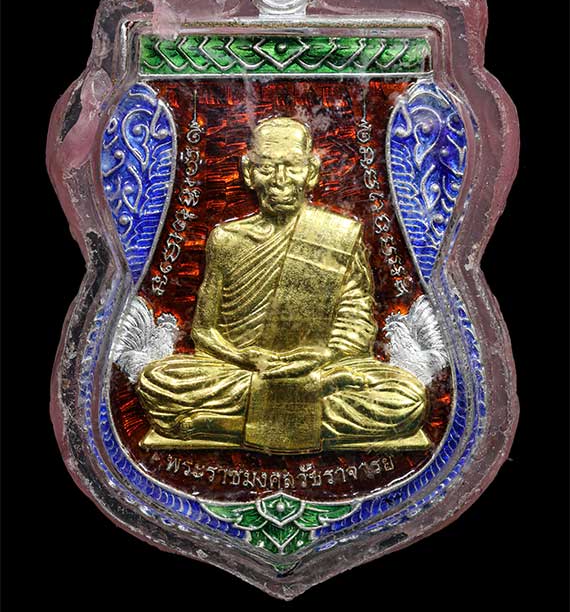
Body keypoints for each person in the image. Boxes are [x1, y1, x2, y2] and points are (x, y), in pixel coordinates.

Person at [137, 117, 428, 453]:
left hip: (323, 368)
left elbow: (358, 323)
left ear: (312, 172)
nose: (279, 180)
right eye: (266, 167)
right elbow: (204, 331)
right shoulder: (227, 239)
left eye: (292, 167)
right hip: (242, 371)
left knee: (406, 397)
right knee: (159, 381)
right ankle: (301, 404)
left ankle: (226, 422)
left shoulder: (338, 234)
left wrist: (321, 357)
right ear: (248, 172)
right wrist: (247, 358)